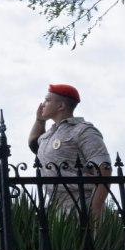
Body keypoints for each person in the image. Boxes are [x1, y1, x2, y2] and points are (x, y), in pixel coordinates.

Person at [28, 84, 112, 217]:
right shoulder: (48, 135)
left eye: (47, 100)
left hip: (82, 206)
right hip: (56, 210)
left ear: (61, 106)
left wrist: (95, 211)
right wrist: (39, 120)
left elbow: (104, 169)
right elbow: (34, 144)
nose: (42, 104)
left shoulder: (83, 130)